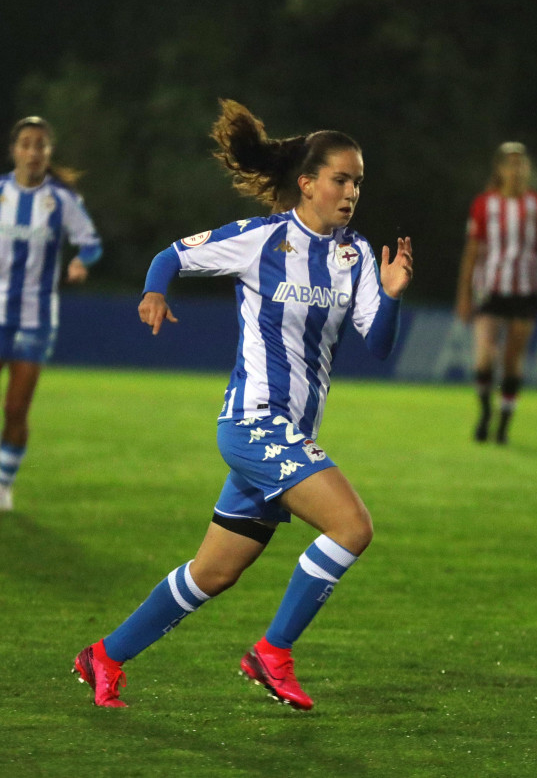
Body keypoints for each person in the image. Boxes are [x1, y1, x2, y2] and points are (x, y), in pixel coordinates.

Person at [72, 99, 414, 710]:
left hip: (284, 436)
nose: (351, 191)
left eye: (358, 181)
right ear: (307, 183)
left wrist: (389, 295)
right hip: (254, 421)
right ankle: (273, 651)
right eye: (341, 178)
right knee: (352, 526)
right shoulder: (262, 239)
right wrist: (154, 293)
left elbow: (381, 345)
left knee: (214, 572)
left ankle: (103, 656)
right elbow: (172, 254)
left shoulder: (355, 256)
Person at [0, 116, 103, 511]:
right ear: (14, 149)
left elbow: (91, 243)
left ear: (48, 153)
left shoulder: (61, 200)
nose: (33, 152)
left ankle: (4, 483)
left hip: (36, 317)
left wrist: (81, 261)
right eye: (26, 143)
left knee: (15, 408)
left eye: (40, 145)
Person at [454, 142, 537, 444]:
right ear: (500, 169)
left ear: (527, 169)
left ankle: (504, 425)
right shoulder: (484, 205)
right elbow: (472, 251)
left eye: (522, 164)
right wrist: (464, 294)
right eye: (511, 164)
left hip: (525, 290)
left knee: (512, 359)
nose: (517, 169)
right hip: (490, 289)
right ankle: (485, 412)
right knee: (484, 359)